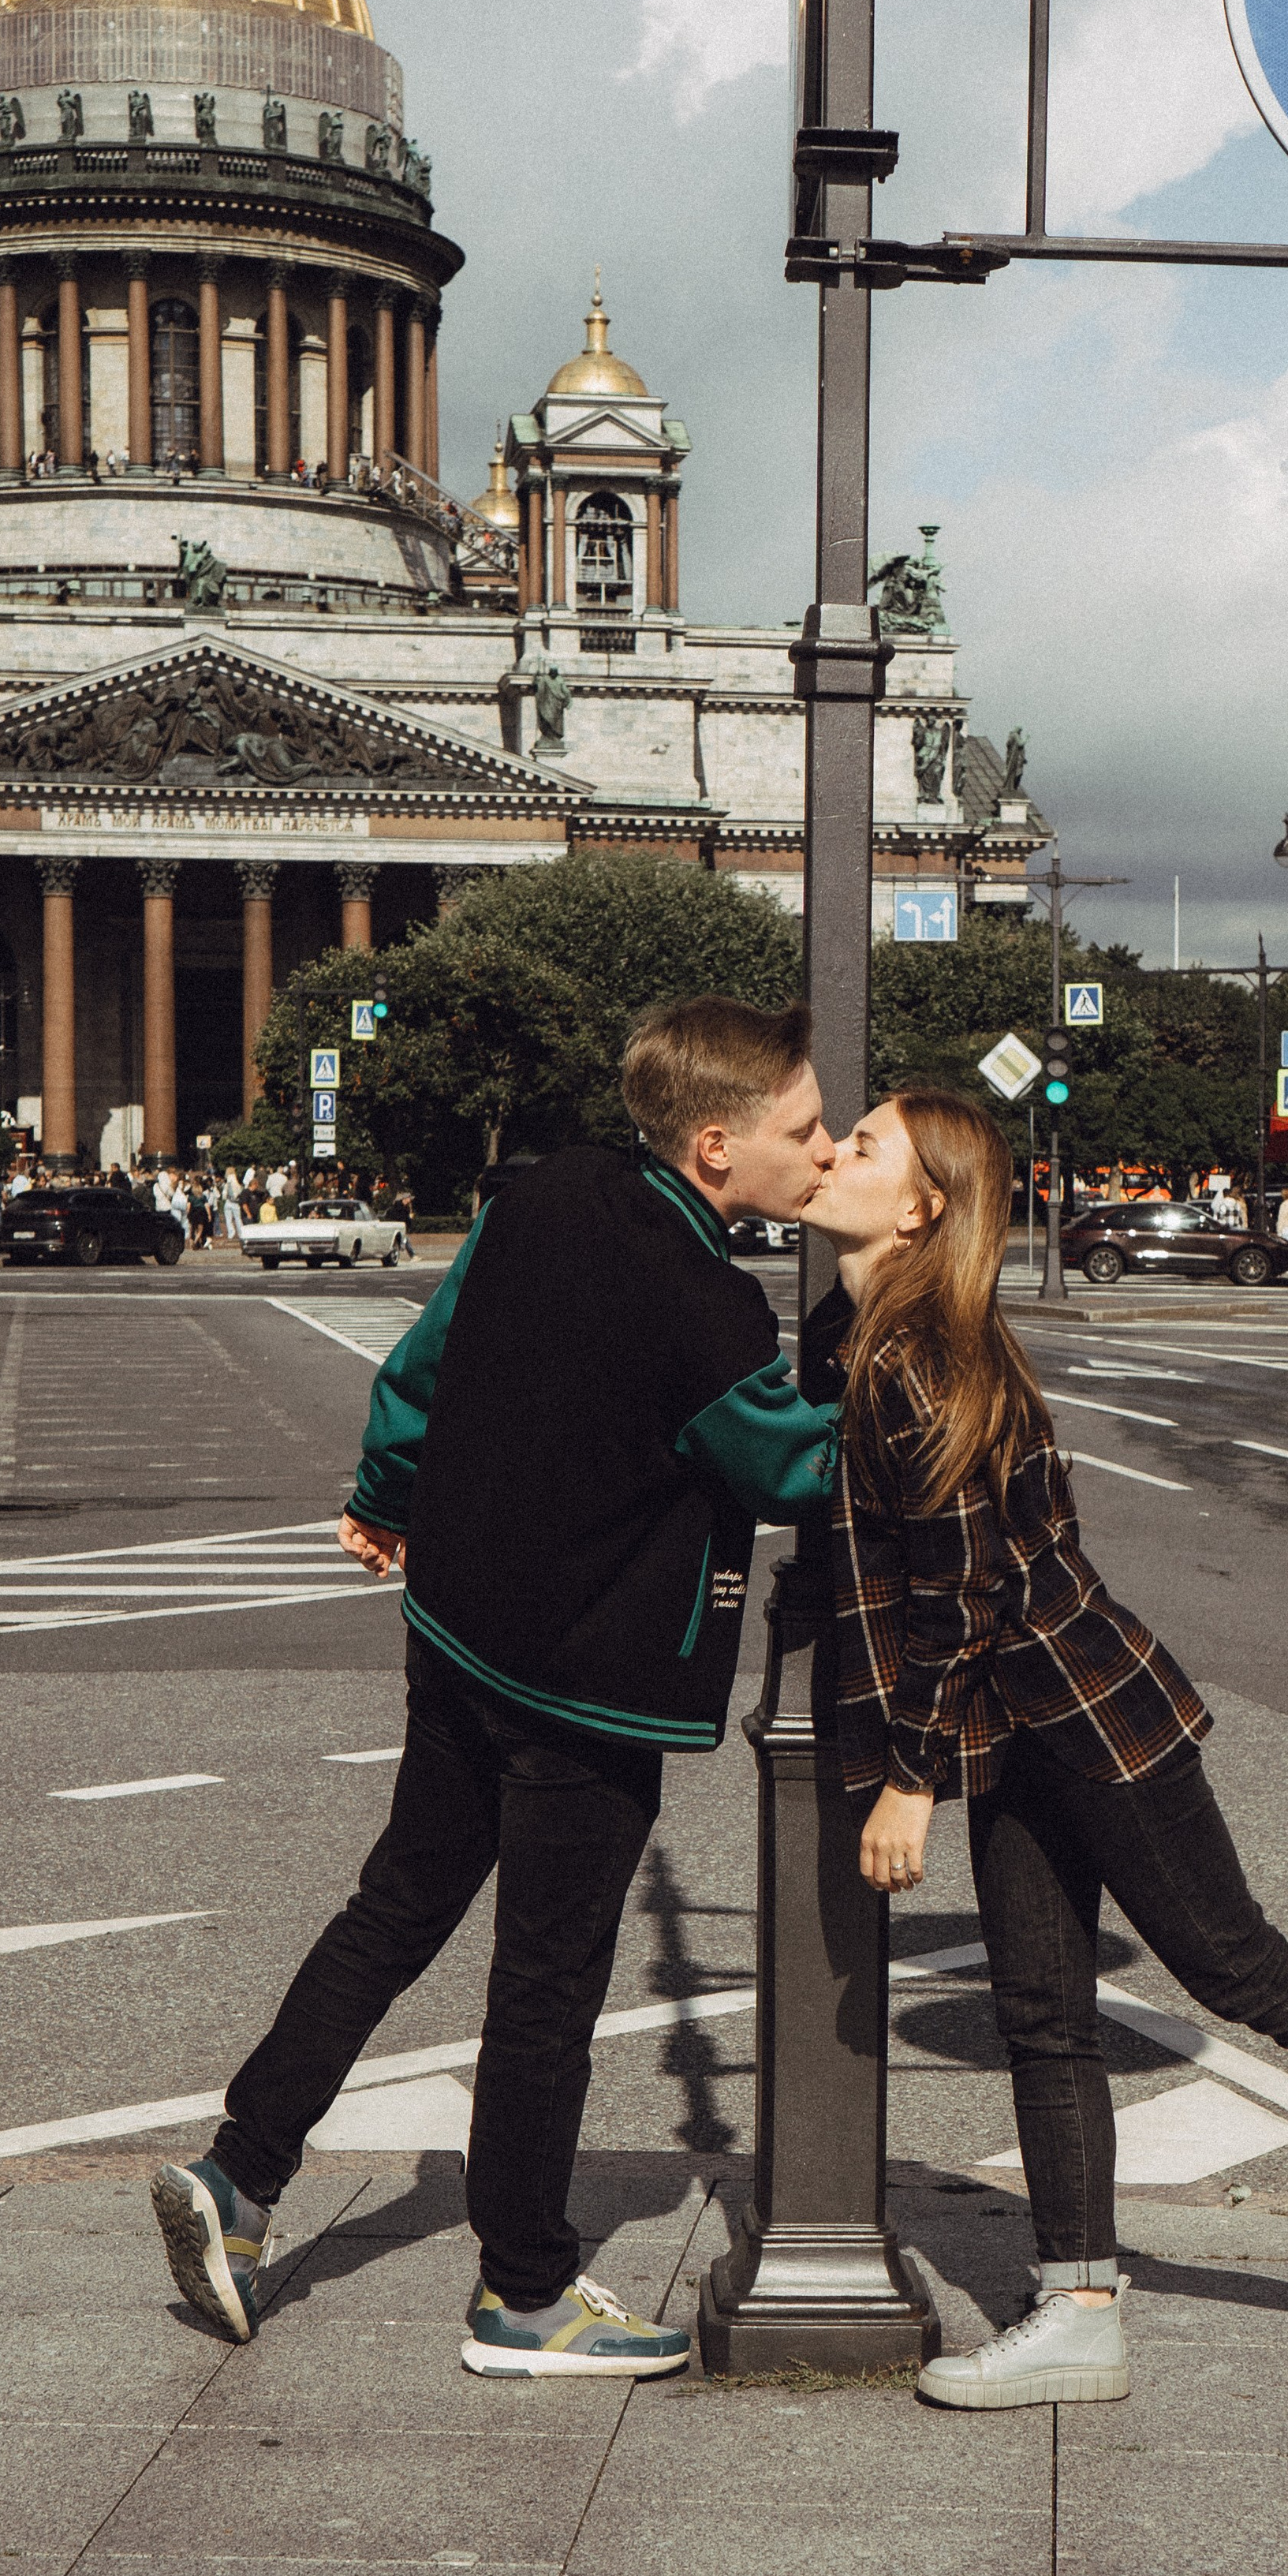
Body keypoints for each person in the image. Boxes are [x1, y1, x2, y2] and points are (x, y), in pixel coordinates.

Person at [801, 1088, 1288, 2410]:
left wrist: (906, 1780)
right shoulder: (872, 1337)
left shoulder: (921, 1355)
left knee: (1228, 1959)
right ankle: (1079, 2304)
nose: (830, 1153)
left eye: (861, 1149)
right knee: (1041, 2010)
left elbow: (960, 1589)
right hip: (1015, 1723)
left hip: (1083, 1712)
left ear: (919, 1208)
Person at [151, 998, 845, 2380]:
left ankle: (241, 2172)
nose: (824, 1154)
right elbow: (793, 1473)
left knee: (398, 1904)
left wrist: (384, 1497)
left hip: (461, 1626)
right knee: (546, 1981)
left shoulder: (548, 1193)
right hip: (589, 1681)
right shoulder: (704, 1300)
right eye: (805, 1131)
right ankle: (523, 2292)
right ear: (717, 1146)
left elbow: (424, 1365)